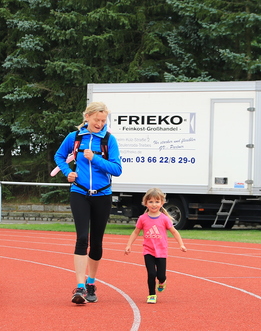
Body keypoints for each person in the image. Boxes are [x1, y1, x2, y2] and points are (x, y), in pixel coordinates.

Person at [54, 101, 122, 304]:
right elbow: (59, 156)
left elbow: (117, 169)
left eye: (103, 121)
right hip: (80, 193)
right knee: (82, 238)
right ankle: (80, 287)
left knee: (97, 242)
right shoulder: (74, 137)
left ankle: (91, 282)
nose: (100, 124)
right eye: (96, 120)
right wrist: (68, 172)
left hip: (102, 195)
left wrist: (95, 158)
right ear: (87, 117)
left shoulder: (109, 140)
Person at [124, 188, 187, 304]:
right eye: (151, 202)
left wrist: (181, 244)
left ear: (162, 203)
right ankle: (152, 295)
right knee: (151, 274)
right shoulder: (143, 218)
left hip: (161, 251)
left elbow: (174, 232)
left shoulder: (164, 219)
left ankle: (162, 281)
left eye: (157, 202)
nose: (154, 204)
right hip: (148, 251)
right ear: (146, 203)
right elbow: (135, 232)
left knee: (161, 275)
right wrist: (129, 245)